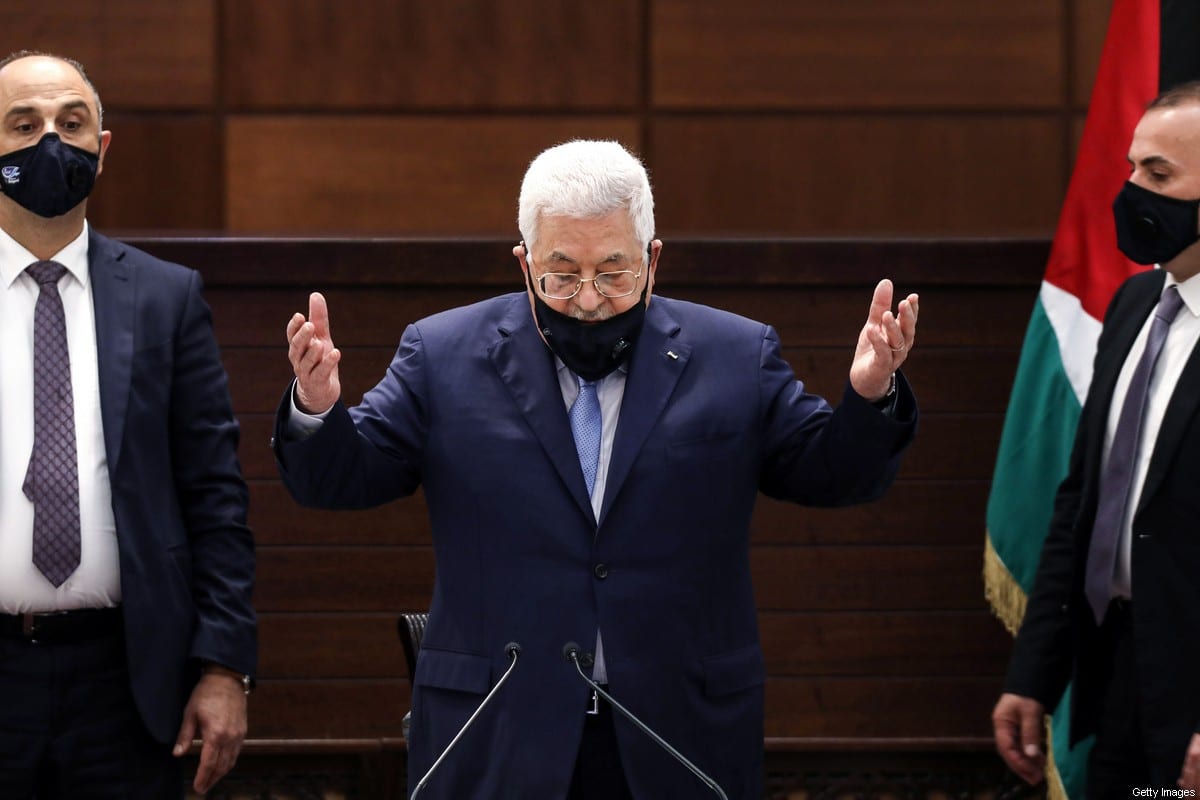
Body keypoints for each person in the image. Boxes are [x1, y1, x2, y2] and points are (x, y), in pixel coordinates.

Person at [276, 139, 918, 800]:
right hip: (498, 730)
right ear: (525, 265)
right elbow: (340, 480)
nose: (588, 300)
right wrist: (317, 409)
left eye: (614, 273)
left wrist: (871, 398)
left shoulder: (733, 355)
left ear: (653, 260)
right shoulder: (442, 356)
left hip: (677, 734)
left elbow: (833, 475)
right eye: (562, 274)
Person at [0, 52, 256, 798]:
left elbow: (215, 495)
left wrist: (223, 665)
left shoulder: (164, 299)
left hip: (127, 680)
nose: (52, 142)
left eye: (72, 124)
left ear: (101, 150)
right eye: (24, 124)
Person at [993, 81, 1200, 797]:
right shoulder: (1137, 301)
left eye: (1160, 174)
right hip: (1114, 679)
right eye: (1134, 167)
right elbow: (1083, 500)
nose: (1133, 189)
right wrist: (1035, 676)